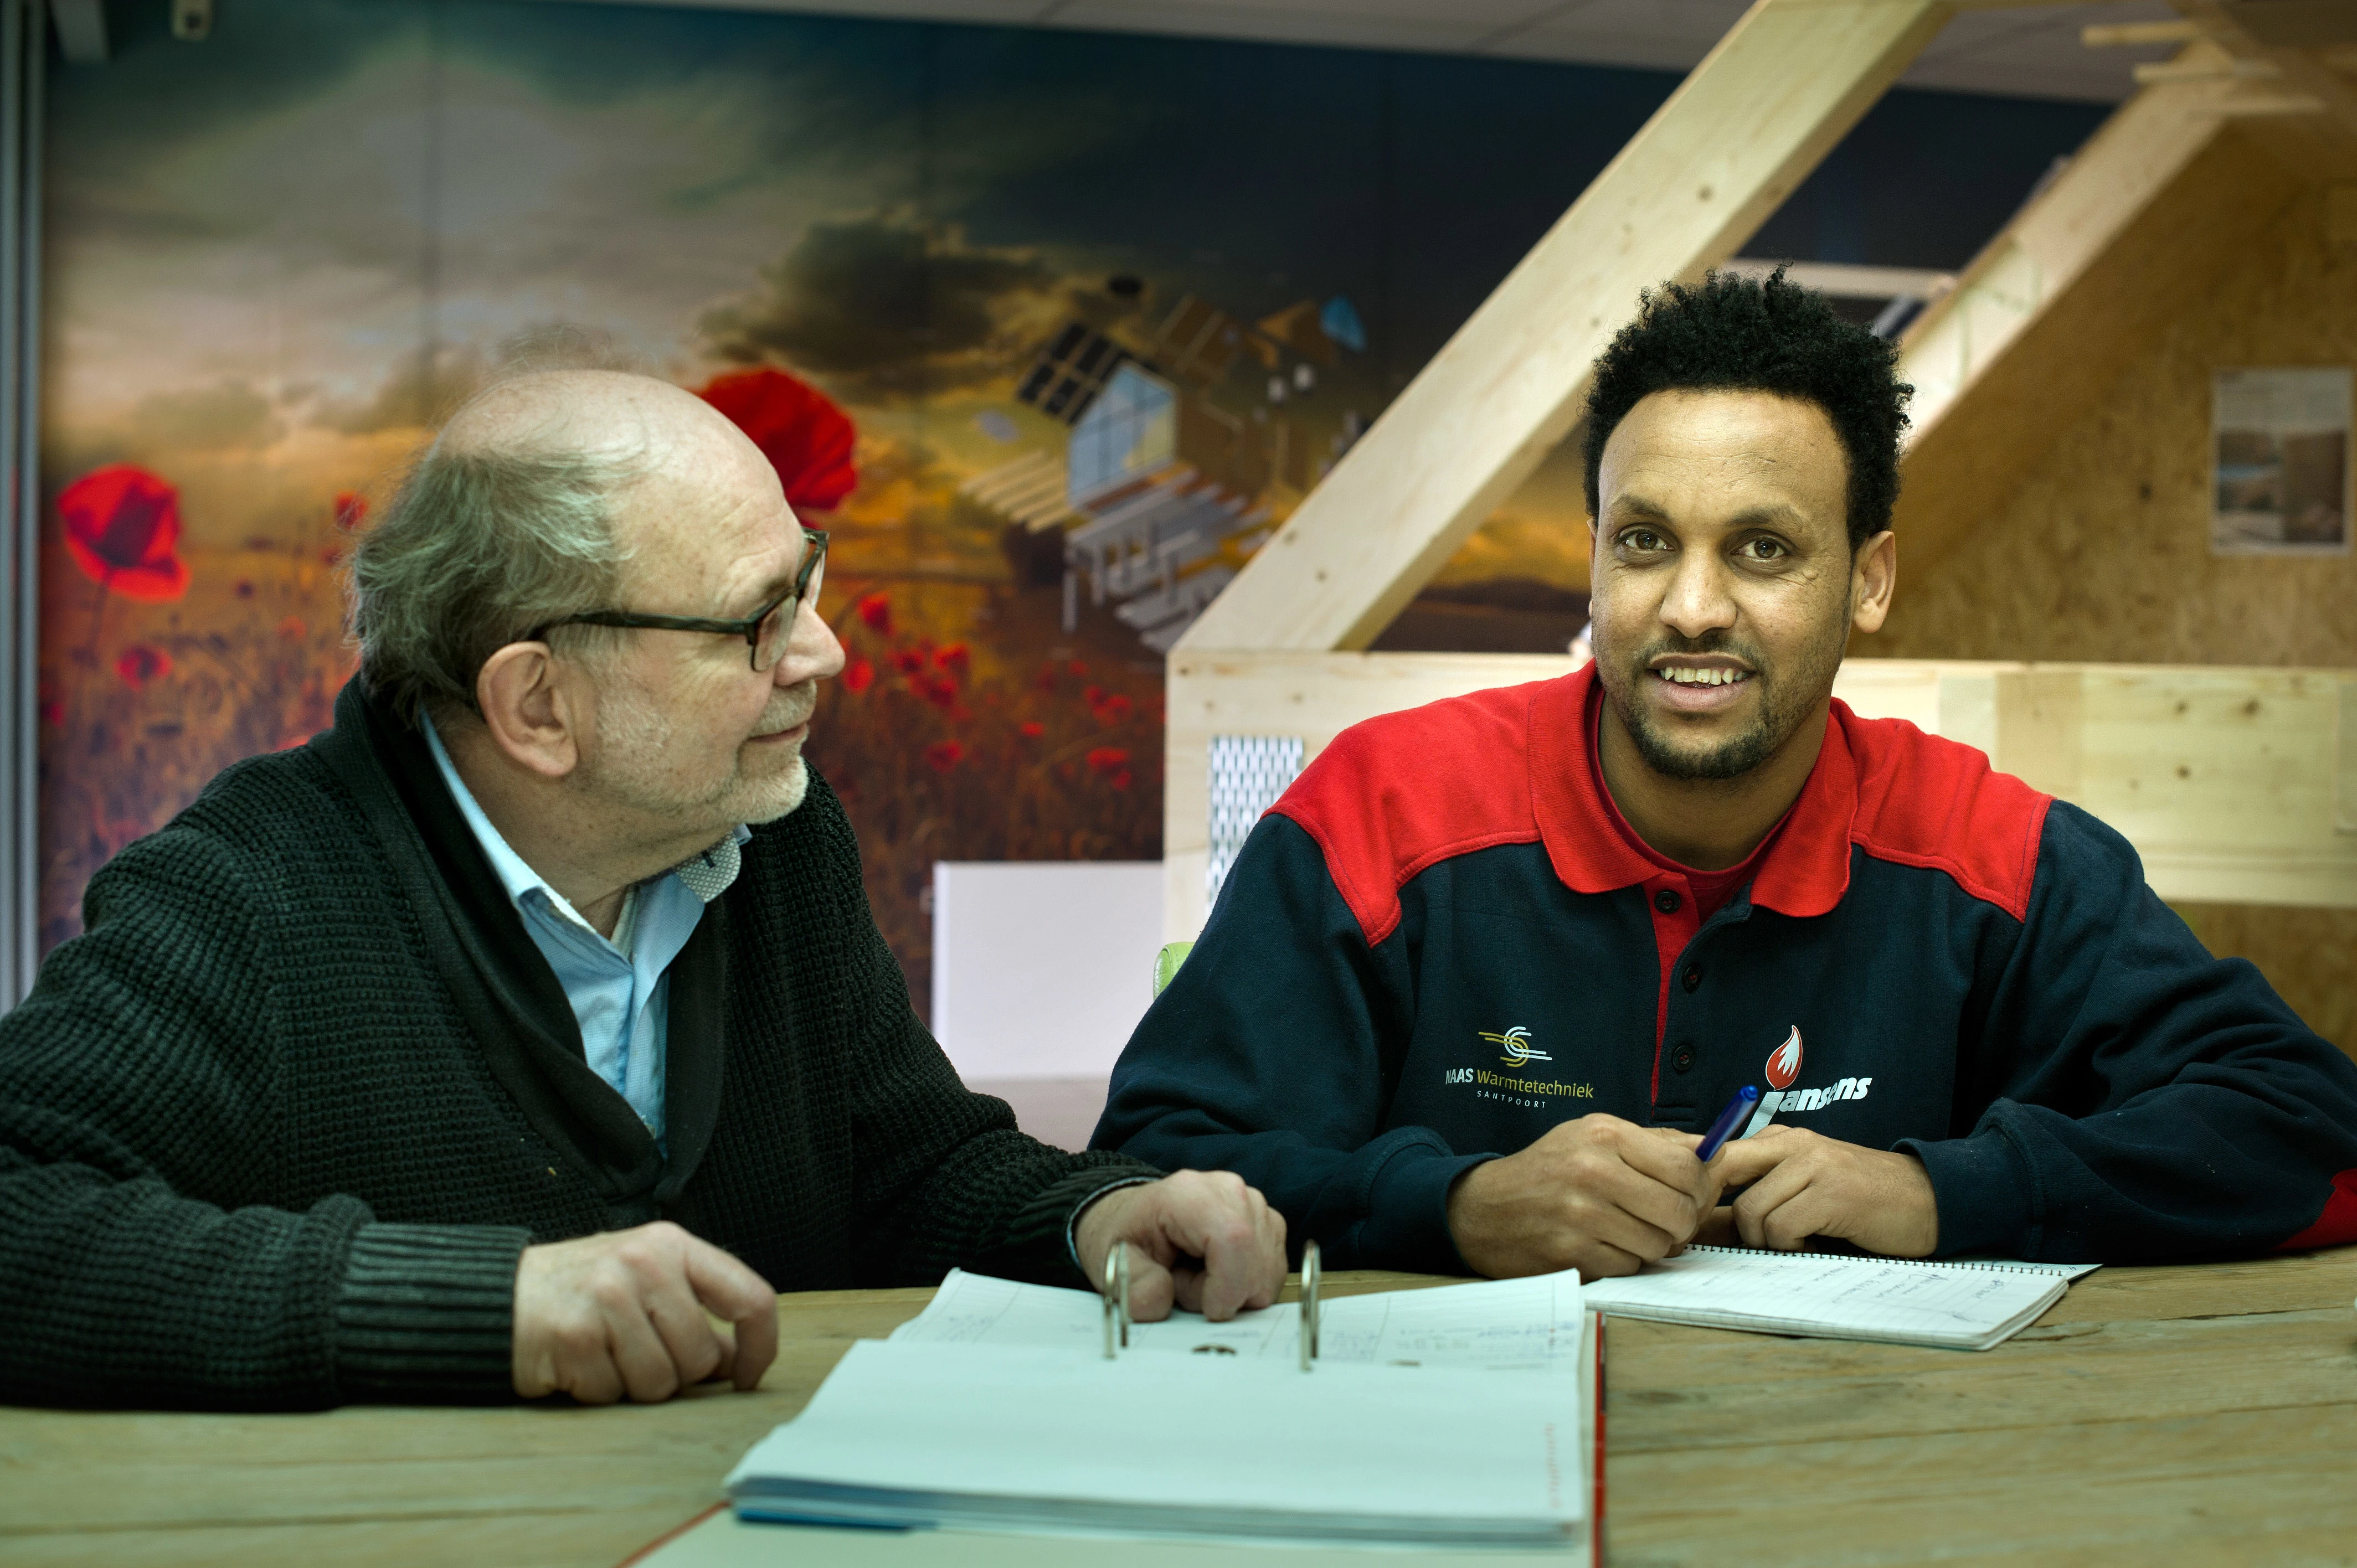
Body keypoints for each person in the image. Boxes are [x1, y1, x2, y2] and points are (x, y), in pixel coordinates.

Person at [0, 369, 1285, 1410]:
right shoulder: (247, 896)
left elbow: (902, 1168)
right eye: (755, 623)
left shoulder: (776, 835)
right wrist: (490, 1309)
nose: (824, 655)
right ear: (539, 705)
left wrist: (1096, 1215)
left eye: (810, 582)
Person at [1095, 272, 2357, 1279]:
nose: (1692, 608)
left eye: (1762, 549)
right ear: (1592, 557)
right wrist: (1456, 1203)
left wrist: (1942, 1189)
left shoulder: (1992, 853)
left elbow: (2308, 1127)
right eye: (1645, 542)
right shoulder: (1381, 812)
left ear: (1868, 579)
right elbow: (1149, 1169)